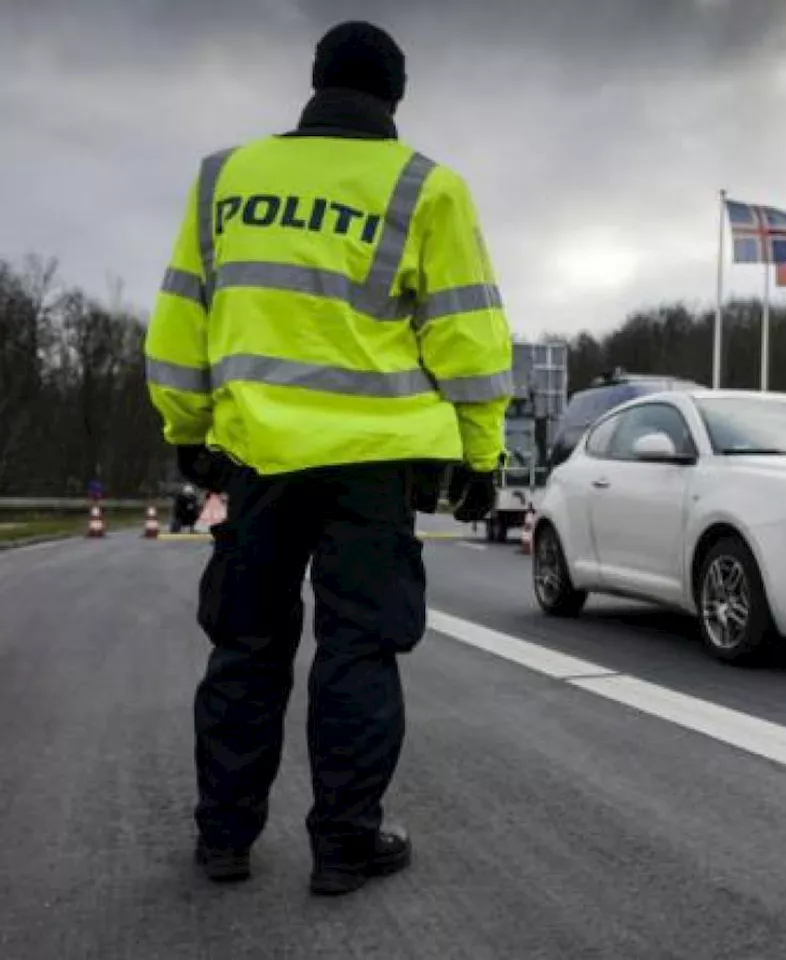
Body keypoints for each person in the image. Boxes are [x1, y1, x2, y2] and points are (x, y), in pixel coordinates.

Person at [143, 21, 511, 896]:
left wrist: (189, 432)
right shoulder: (427, 187)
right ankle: (346, 845)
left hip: (259, 457)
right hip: (376, 465)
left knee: (246, 645)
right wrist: (480, 455)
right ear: (396, 99)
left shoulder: (222, 180)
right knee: (359, 649)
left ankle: (224, 839)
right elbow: (469, 337)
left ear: (313, 84)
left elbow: (178, 326)